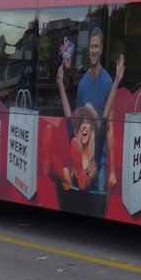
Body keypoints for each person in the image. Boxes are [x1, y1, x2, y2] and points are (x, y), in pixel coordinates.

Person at [57, 28, 124, 191]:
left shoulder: (107, 82)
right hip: (83, 162)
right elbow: (78, 126)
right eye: (91, 47)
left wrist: (113, 171)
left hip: (99, 164)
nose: (94, 50)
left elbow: (109, 129)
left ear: (101, 50)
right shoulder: (82, 84)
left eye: (97, 47)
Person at [65, 103, 100, 191]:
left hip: (89, 201)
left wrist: (114, 88)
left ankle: (83, 178)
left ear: (92, 129)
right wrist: (61, 88)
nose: (84, 126)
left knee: (85, 184)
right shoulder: (76, 146)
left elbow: (104, 124)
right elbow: (68, 119)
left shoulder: (96, 152)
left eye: (87, 122)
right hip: (74, 199)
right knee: (64, 172)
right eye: (82, 122)